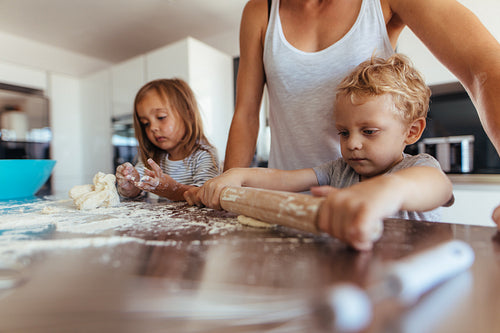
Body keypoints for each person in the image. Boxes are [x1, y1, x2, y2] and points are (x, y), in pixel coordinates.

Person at [185, 54, 454, 251]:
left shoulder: (417, 167)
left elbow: (438, 187)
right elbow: (282, 179)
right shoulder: (340, 170)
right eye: (344, 133)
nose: (353, 144)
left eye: (369, 131)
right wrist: (237, 175)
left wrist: (388, 191)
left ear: (411, 132)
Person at [224, 0, 500, 172]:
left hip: (371, 200)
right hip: (285, 202)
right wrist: (225, 194)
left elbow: (484, 67)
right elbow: (247, 115)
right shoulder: (260, 9)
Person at [115, 78, 220, 201]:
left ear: (189, 115)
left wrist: (172, 190)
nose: (153, 128)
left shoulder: (204, 155)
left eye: (161, 117)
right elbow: (137, 189)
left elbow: (204, 196)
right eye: (146, 123)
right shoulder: (151, 158)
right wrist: (129, 186)